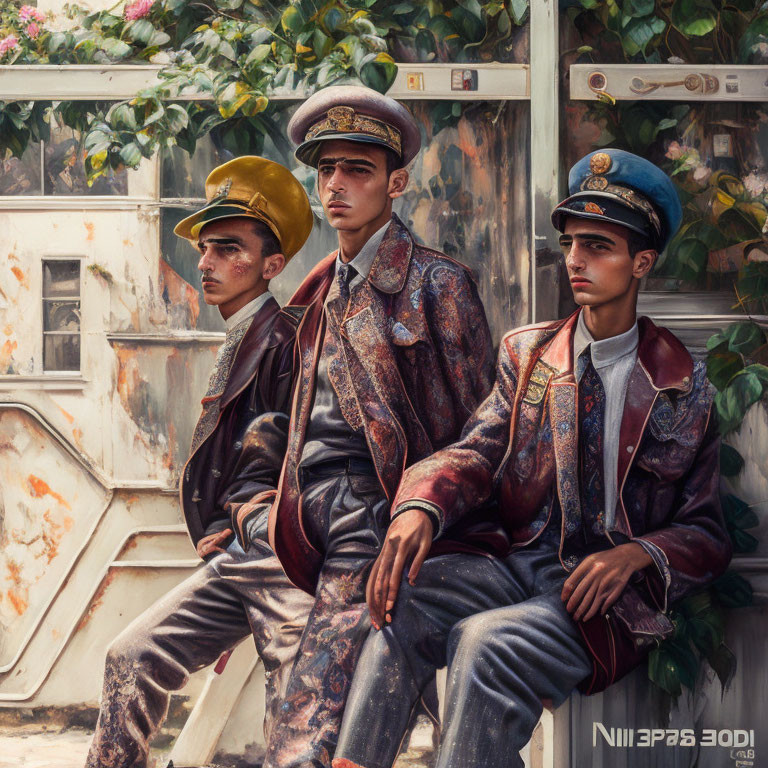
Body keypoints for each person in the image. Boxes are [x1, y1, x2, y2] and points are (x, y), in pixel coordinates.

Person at [332, 148, 733, 768]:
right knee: (395, 606)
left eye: (598, 246)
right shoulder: (530, 356)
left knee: (482, 642)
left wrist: (633, 554)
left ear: (642, 263)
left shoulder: (680, 385)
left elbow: (707, 534)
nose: (575, 260)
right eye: (572, 244)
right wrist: (419, 505)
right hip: (518, 563)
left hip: (604, 598)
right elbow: (477, 449)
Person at [230, 86, 496, 767]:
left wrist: (422, 515)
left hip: (371, 519)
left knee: (306, 736)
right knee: (382, 710)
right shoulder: (320, 292)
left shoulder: (439, 285)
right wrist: (259, 503)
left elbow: (478, 434)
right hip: (299, 522)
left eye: (358, 170)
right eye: (327, 171)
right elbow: (289, 415)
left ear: (396, 181)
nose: (337, 185)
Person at [85, 156, 316, 768]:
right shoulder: (244, 333)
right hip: (238, 552)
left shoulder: (286, 340)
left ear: (272, 265)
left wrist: (246, 518)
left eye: (228, 249)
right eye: (205, 248)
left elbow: (285, 448)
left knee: (292, 720)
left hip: (281, 556)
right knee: (129, 658)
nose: (207, 263)